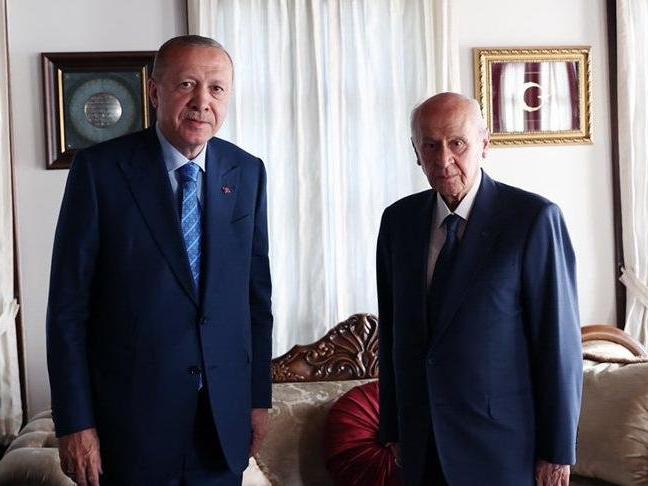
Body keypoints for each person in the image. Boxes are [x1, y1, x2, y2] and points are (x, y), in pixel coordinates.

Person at [46, 35, 273, 486]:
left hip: (220, 427)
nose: (202, 101)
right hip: (130, 430)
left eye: (216, 88)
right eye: (187, 84)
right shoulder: (101, 171)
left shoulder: (247, 171)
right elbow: (68, 309)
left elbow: (255, 300)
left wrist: (257, 399)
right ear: (155, 91)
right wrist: (75, 422)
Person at [377, 92, 582, 486]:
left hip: (503, 449)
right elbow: (392, 334)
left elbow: (557, 344)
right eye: (430, 145)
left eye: (457, 143)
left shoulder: (533, 219)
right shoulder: (398, 222)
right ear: (415, 152)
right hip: (421, 445)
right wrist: (394, 429)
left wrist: (557, 451)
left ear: (485, 144)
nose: (443, 159)